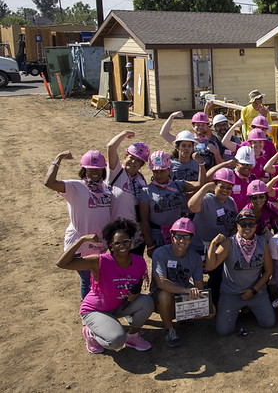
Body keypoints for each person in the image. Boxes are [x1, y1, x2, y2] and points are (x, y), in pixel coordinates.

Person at [56, 219, 154, 354]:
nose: (122, 246)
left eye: (126, 241)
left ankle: (132, 337)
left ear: (131, 242)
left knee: (147, 301)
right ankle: (91, 333)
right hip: (95, 310)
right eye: (117, 243)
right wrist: (81, 240)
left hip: (118, 306)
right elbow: (62, 263)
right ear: (111, 246)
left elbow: (137, 285)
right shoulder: (100, 261)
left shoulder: (139, 261)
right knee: (116, 341)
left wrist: (134, 295)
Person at [45, 149, 112, 298]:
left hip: (98, 245)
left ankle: (93, 308)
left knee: (95, 278)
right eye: (90, 169)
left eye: (98, 169)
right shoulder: (75, 187)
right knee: (87, 280)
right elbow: (49, 183)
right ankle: (88, 313)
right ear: (84, 169)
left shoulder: (105, 188)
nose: (95, 172)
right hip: (79, 244)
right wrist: (58, 158)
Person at [206, 209, 275, 335]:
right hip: (231, 293)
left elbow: (269, 270)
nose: (247, 227)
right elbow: (210, 267)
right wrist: (212, 245)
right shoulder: (229, 243)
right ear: (237, 226)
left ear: (256, 226)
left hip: (256, 292)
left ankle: (247, 309)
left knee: (268, 323)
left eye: (251, 224)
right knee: (223, 331)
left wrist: (253, 290)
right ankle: (236, 311)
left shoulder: (262, 243)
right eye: (243, 224)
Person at [150, 218, 206, 347]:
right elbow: (161, 283)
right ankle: (169, 329)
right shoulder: (160, 253)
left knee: (210, 311)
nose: (182, 241)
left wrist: (199, 305)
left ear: (191, 238)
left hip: (182, 294)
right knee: (165, 295)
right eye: (178, 236)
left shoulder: (195, 257)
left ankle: (185, 316)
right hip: (159, 296)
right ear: (172, 236)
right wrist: (186, 291)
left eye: (186, 236)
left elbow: (199, 285)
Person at [187, 168, 238, 304]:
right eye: (222, 186)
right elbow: (192, 206)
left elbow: (233, 225)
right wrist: (205, 188)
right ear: (215, 185)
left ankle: (213, 304)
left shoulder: (231, 202)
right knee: (195, 276)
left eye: (229, 187)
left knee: (218, 275)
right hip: (200, 244)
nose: (225, 190)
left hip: (218, 246)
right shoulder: (207, 199)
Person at [139, 150, 204, 256]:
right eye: (156, 172)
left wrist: (201, 164)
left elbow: (199, 184)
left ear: (169, 169)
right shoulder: (146, 192)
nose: (159, 175)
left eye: (162, 171)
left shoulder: (177, 185)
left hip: (178, 234)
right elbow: (144, 220)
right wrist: (150, 244)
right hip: (158, 238)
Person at [105, 132, 149, 255]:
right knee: (118, 268)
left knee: (135, 267)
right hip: (118, 233)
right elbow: (111, 147)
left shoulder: (141, 179)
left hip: (137, 235)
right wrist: (124, 134)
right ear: (125, 157)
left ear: (141, 165)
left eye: (138, 161)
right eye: (131, 158)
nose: (133, 162)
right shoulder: (116, 172)